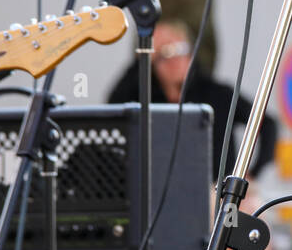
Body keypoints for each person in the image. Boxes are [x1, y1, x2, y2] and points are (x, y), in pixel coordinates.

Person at [107, 19, 277, 185]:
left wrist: (251, 173)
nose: (174, 60)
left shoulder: (217, 93)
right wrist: (141, 59)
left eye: (179, 49)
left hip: (216, 190)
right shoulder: (142, 97)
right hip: (160, 190)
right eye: (163, 54)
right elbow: (112, 108)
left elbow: (266, 123)